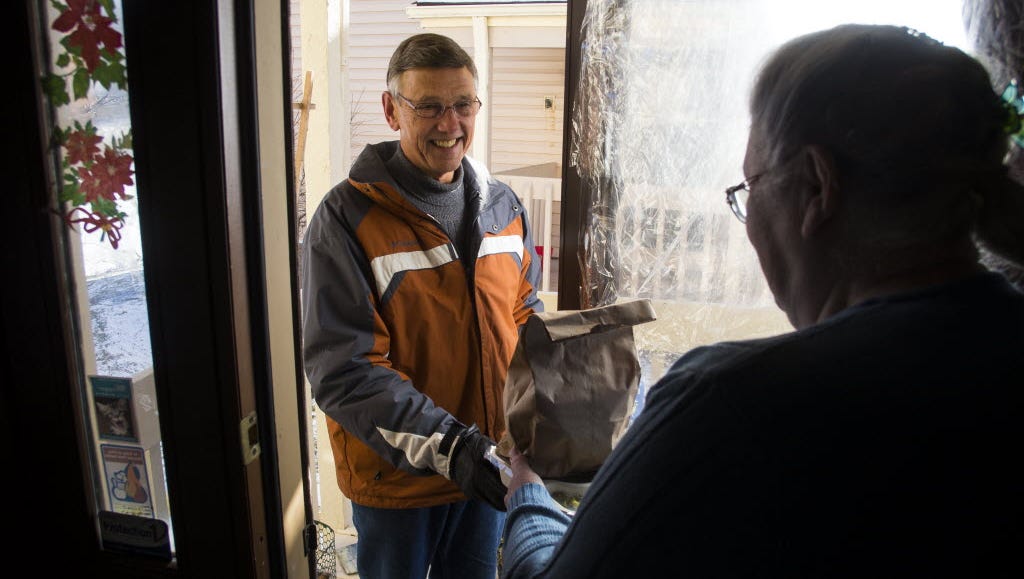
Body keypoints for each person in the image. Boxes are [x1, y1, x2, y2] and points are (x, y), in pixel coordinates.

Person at [500, 24, 1024, 579]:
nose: (749, 224)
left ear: (818, 188)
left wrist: (530, 507)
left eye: (750, 187)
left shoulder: (734, 407)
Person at [302, 32, 544, 579]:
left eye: (462, 105)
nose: (449, 123)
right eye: (429, 106)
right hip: (399, 482)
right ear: (392, 111)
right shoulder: (345, 220)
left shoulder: (503, 205)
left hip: (488, 467)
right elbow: (346, 371)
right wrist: (455, 449)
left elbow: (524, 316)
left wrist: (562, 394)